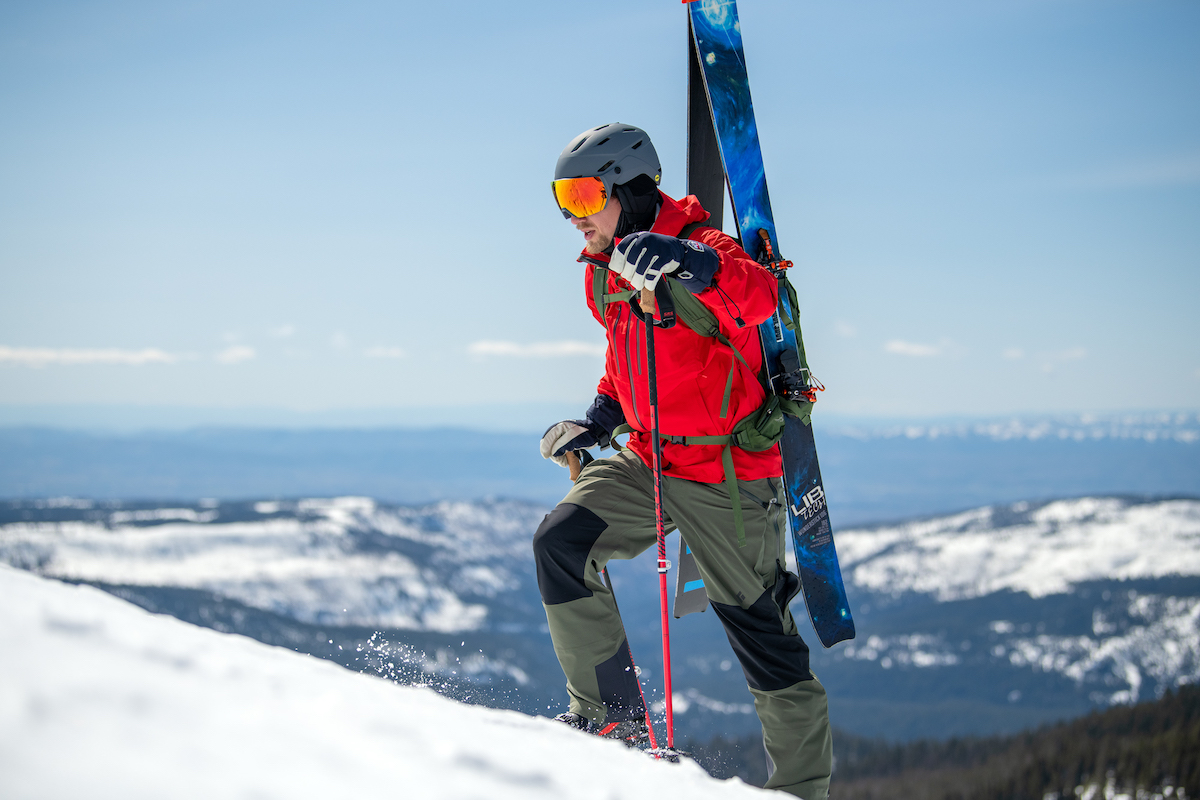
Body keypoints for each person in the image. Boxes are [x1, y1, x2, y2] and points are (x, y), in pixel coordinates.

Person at [534, 122, 832, 799]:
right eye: (562, 199)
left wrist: (687, 262)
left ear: (628, 187)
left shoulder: (701, 245)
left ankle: (803, 789)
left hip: (727, 474)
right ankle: (610, 720)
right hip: (649, 459)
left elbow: (758, 298)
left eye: (582, 195)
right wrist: (599, 421)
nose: (571, 216)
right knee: (562, 542)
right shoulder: (604, 276)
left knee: (760, 631)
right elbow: (625, 362)